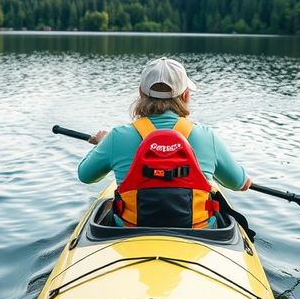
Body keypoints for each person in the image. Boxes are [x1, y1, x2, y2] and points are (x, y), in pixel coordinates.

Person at [77, 57, 252, 228]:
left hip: (129, 230)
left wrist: (103, 142)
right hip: (200, 234)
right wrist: (245, 181)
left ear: (140, 93)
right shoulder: (207, 136)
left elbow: (85, 175)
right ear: (185, 95)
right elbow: (238, 183)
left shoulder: (117, 137)